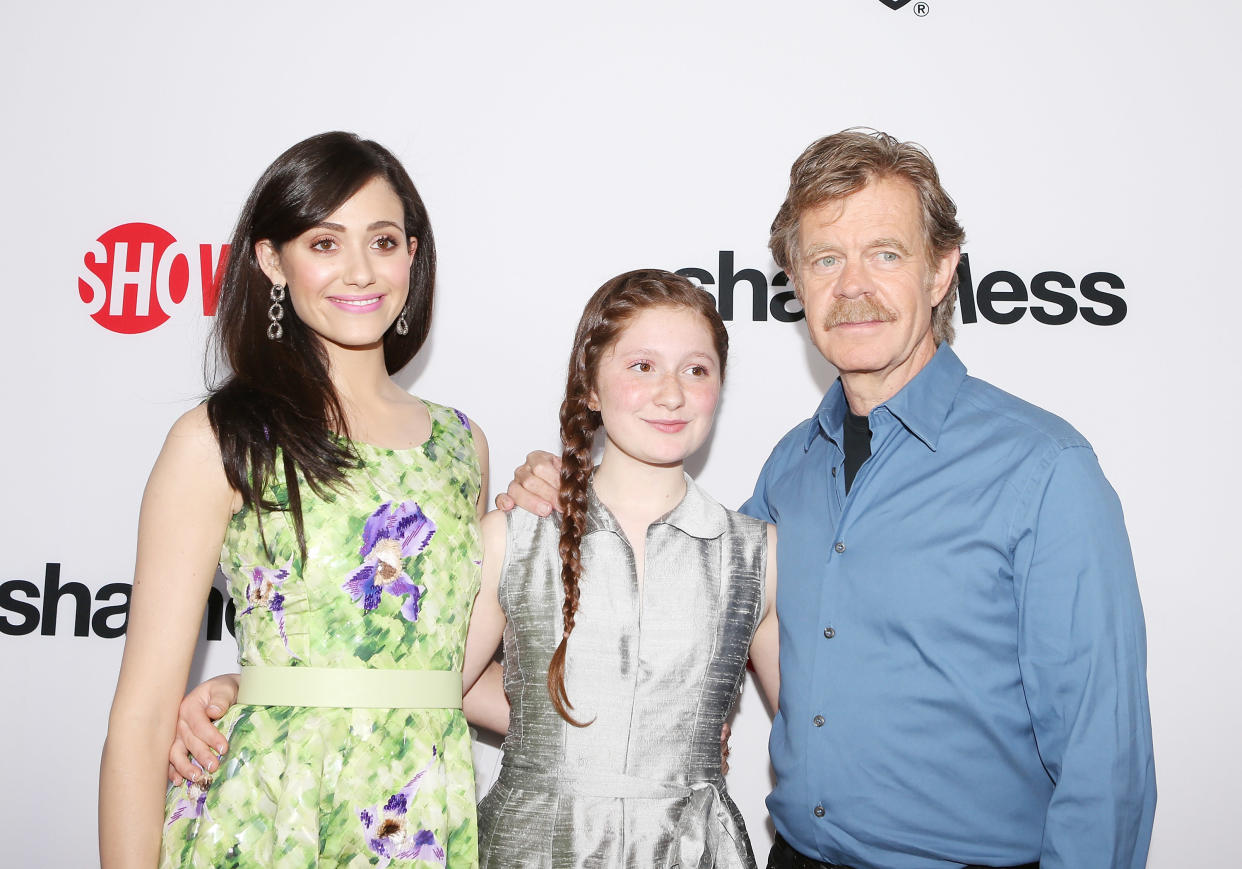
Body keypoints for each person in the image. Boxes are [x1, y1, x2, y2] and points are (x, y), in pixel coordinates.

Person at [499, 130, 1156, 869]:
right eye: (826, 260)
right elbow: (675, 602)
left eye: (885, 253)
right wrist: (563, 490)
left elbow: (1107, 764)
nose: (852, 287)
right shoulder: (790, 469)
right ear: (796, 281)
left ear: (942, 271)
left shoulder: (1042, 469)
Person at [169, 269, 781, 868]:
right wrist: (256, 690)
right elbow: (428, 682)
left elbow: (808, 731)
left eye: (695, 370)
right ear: (590, 387)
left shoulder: (760, 554)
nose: (671, 393)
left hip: (696, 848)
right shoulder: (509, 536)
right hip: (529, 845)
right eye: (641, 365)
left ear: (720, 386)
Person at [99, 132, 488, 868]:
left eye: (382, 239)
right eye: (323, 243)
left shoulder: (463, 445)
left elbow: (447, 664)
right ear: (272, 261)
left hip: (420, 822)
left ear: (412, 253)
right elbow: (143, 716)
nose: (360, 270)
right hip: (267, 823)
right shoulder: (220, 438)